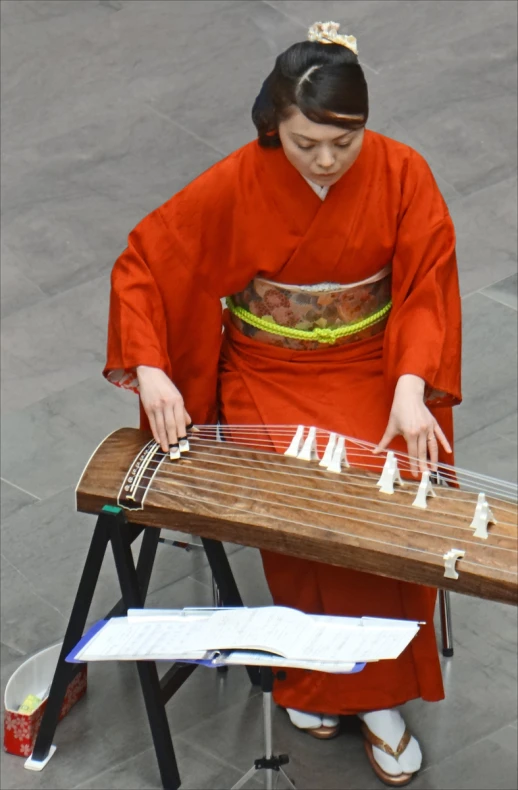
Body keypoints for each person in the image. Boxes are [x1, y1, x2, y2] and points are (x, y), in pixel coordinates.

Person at [104, 21, 462, 786]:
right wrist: (153, 368)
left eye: (346, 140)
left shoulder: (404, 174)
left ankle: (379, 691)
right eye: (306, 144)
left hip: (378, 364)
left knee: (393, 486)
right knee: (302, 504)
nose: (327, 160)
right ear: (273, 125)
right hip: (270, 370)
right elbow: (145, 257)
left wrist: (409, 390)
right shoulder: (238, 179)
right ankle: (317, 672)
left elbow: (427, 285)